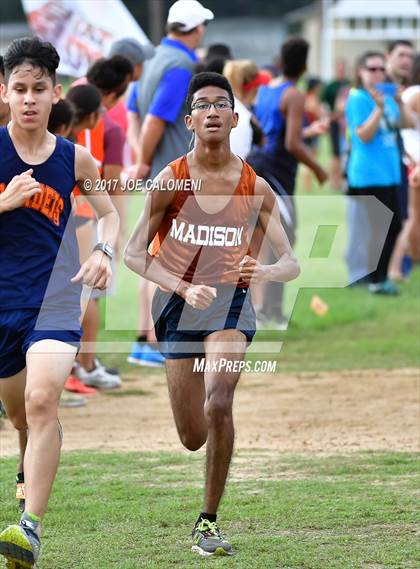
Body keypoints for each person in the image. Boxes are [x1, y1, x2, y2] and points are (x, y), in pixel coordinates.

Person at [124, 72, 300, 557]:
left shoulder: (254, 186)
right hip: (179, 306)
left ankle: (208, 521)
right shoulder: (171, 180)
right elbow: (135, 254)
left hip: (231, 303)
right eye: (202, 105)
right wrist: (182, 285)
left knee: (219, 400)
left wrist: (261, 270)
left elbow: (291, 263)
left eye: (222, 104)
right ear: (190, 122)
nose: (213, 111)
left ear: (235, 118)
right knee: (192, 435)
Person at [0, 37, 119, 567]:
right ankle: (26, 472)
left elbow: (111, 214)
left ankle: (28, 528)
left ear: (54, 94)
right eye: (19, 88)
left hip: (54, 299)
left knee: (43, 401)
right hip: (3, 303)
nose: (28, 99)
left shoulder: (75, 159)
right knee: (20, 416)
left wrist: (103, 251)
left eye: (38, 89)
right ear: (5, 92)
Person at [127, 0, 214, 367]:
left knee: (154, 257)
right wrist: (146, 159)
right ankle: (152, 342)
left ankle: (143, 341)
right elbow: (155, 122)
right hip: (173, 176)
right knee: (165, 262)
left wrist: (140, 161)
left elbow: (134, 112)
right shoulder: (180, 65)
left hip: (156, 173)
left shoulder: (152, 58)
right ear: (196, 29)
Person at [247, 37, 327, 326]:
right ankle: (272, 311)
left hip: (258, 166)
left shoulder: (266, 90)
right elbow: (291, 143)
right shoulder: (294, 95)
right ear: (305, 65)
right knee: (284, 241)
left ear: (280, 61)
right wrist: (318, 168)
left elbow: (270, 132)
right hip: (276, 172)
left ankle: (260, 309)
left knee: (263, 239)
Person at [345, 51, 412, 295]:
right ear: (360, 72)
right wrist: (379, 109)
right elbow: (362, 135)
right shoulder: (358, 99)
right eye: (371, 69)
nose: (377, 74)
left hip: (390, 172)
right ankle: (374, 280)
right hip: (369, 175)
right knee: (379, 229)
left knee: (392, 227)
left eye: (381, 69)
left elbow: (405, 124)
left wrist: (400, 102)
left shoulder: (388, 96)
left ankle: (379, 278)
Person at [223, 59, 269, 159]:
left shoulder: (228, 107)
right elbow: (239, 161)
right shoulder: (241, 118)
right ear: (252, 87)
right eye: (258, 85)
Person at [321, 58, 350, 189]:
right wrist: (328, 117)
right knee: (335, 154)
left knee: (346, 151)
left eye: (342, 68)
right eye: (339, 68)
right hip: (335, 123)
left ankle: (343, 180)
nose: (341, 70)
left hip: (348, 124)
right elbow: (322, 104)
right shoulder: (330, 86)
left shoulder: (349, 84)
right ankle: (335, 182)